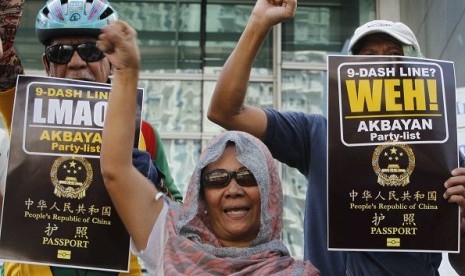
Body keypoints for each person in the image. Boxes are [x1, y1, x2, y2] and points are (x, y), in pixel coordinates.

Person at [207, 0, 465, 275]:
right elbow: (226, 111)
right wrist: (259, 22)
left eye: (393, 54)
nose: (380, 63)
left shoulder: (440, 149)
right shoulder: (318, 133)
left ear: (414, 70)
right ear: (349, 71)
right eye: (368, 56)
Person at [97, 19, 320, 276]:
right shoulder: (172, 244)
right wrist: (126, 72)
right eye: (217, 179)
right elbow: (116, 170)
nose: (233, 189)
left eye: (248, 177)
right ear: (201, 194)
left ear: (269, 191)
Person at [0, 0, 182, 274]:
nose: (75, 62)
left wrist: (155, 184)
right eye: (60, 53)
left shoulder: (143, 133)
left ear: (111, 62)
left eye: (91, 50)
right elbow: (3, 62)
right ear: (47, 65)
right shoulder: (26, 111)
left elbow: (181, 222)